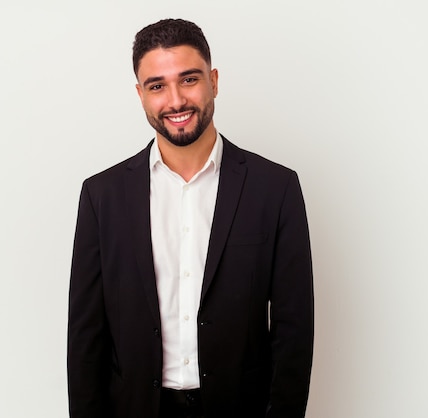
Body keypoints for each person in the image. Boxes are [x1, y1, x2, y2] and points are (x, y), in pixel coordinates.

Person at [67, 18, 314, 418]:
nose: (176, 100)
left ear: (214, 81)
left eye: (189, 79)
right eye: (157, 85)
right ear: (141, 95)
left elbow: (294, 329)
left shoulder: (276, 188)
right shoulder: (102, 196)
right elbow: (85, 338)